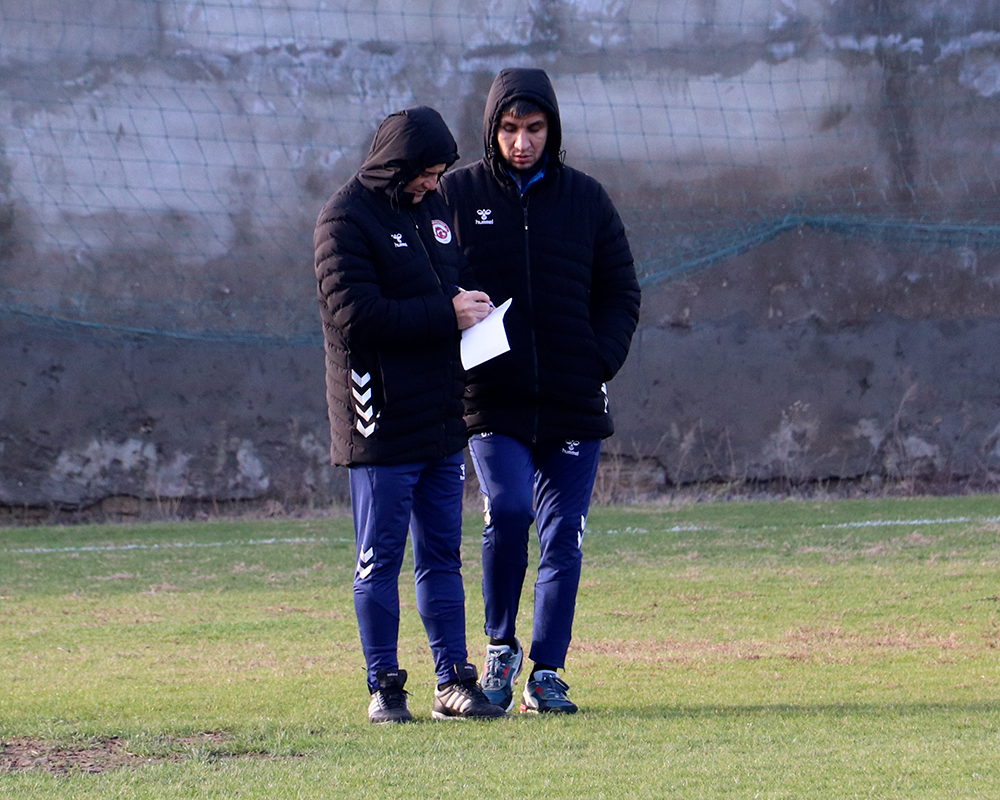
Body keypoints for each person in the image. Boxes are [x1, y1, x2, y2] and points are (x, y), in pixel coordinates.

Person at [440, 68, 641, 714]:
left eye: (533, 129)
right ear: (492, 129)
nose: (521, 142)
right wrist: (450, 311)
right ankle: (500, 648)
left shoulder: (587, 200)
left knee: (565, 536)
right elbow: (424, 273)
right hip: (492, 402)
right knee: (509, 513)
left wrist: (598, 360)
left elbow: (621, 294)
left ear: (551, 130)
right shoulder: (455, 194)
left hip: (573, 404)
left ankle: (547, 671)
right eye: (508, 129)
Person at [314, 106, 504, 723]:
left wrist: (463, 302)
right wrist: (443, 315)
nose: (432, 183)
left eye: (439, 173)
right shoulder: (342, 219)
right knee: (380, 557)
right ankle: (384, 685)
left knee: (443, 556)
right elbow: (356, 315)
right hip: (380, 420)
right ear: (395, 164)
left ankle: (452, 680)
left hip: (442, 416)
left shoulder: (434, 210)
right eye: (424, 173)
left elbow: (433, 286)